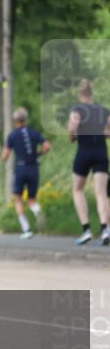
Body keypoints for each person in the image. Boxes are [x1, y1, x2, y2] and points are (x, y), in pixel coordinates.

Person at [68, 79, 110, 246]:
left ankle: (86, 230)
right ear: (92, 94)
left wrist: (73, 137)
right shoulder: (103, 110)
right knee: (101, 193)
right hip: (101, 151)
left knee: (78, 189)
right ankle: (105, 229)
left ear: (80, 94)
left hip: (84, 152)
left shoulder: (77, 109)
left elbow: (72, 128)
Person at [1, 107, 51, 239]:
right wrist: (38, 153)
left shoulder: (12, 135)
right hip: (34, 167)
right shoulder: (34, 133)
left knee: (17, 198)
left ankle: (26, 229)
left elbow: (5, 156)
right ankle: (37, 210)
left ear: (15, 121)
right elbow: (47, 146)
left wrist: (6, 156)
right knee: (31, 199)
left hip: (21, 168)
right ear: (26, 119)